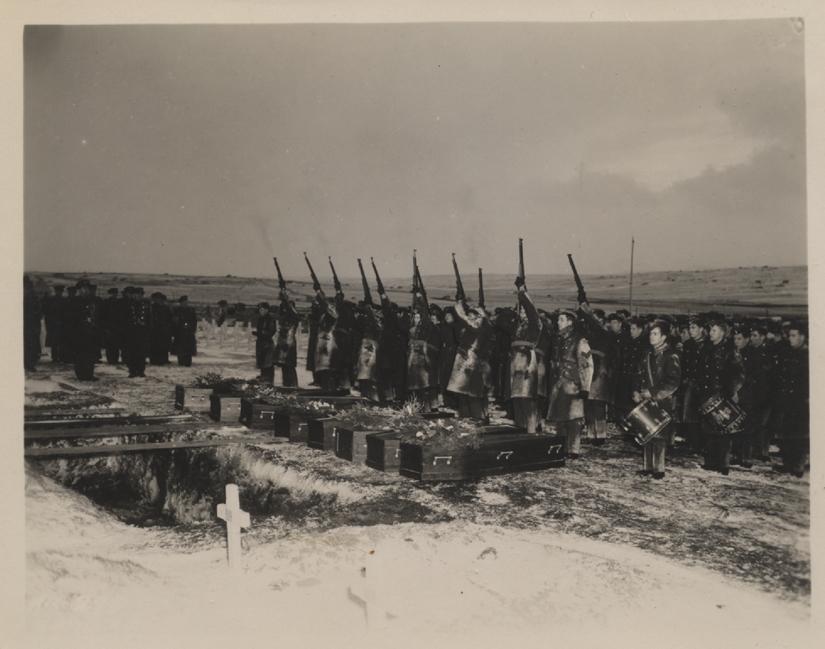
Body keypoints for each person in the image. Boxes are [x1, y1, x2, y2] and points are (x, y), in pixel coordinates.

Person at [632, 319, 682, 479]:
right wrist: (636, 391)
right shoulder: (647, 354)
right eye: (651, 333)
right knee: (646, 432)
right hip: (646, 398)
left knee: (659, 435)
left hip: (662, 400)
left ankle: (659, 469)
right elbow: (639, 374)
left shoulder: (671, 355)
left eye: (655, 334)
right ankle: (647, 466)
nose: (651, 337)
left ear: (664, 337)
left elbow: (673, 381)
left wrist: (653, 392)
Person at [696, 315, 743, 475]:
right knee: (708, 429)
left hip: (723, 395)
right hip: (706, 394)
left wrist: (732, 392)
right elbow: (700, 371)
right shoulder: (706, 348)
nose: (710, 333)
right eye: (710, 330)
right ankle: (710, 462)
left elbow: (738, 374)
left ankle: (723, 464)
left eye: (714, 330)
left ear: (722, 332)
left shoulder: (731, 350)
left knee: (723, 429)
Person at [546, 309, 593, 458]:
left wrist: (585, 387)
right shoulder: (558, 339)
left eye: (561, 320)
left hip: (573, 384)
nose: (558, 323)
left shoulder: (580, 341)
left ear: (570, 322)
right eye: (558, 319)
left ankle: (573, 449)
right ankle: (562, 447)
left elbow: (587, 365)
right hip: (559, 383)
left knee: (574, 419)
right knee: (560, 417)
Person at [446, 298, 495, 420]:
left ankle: (479, 418)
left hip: (476, 363)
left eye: (474, 316)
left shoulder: (484, 328)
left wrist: (460, 311)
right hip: (464, 362)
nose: (471, 319)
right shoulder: (470, 329)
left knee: (474, 393)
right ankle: (465, 418)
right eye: (470, 316)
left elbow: (475, 328)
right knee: (462, 392)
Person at [773, 322, 809, 477]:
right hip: (787, 400)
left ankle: (798, 465)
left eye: (794, 336)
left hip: (801, 401)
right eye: (789, 336)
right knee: (786, 433)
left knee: (799, 434)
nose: (790, 339)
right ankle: (787, 464)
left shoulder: (808, 355)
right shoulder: (788, 353)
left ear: (803, 337)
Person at [509, 277, 543, 433]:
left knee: (528, 398)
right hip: (516, 363)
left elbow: (531, 311)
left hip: (528, 362)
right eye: (520, 310)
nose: (522, 312)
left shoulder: (534, 324)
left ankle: (532, 429)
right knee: (517, 398)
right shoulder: (519, 326)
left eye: (524, 310)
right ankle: (521, 428)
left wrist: (522, 291)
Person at [578, 302, 615, 445]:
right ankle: (591, 433)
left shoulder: (606, 335)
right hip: (589, 369)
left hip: (600, 371)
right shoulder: (589, 335)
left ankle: (600, 434)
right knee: (588, 403)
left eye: (598, 320)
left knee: (598, 404)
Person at [406, 289, 442, 410]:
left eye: (418, 317)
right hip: (414, 360)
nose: (416, 319)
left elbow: (425, 314)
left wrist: (420, 298)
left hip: (425, 359)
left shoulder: (428, 328)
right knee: (416, 385)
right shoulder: (411, 331)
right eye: (415, 317)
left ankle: (430, 407)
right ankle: (419, 406)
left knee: (427, 385)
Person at [678, 315, 708, 453]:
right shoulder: (688, 344)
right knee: (688, 414)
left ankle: (701, 444)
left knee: (703, 414)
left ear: (701, 329)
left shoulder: (708, 344)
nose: (691, 330)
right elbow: (684, 364)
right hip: (690, 383)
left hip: (703, 384)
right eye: (690, 328)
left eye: (694, 327)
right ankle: (692, 443)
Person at [71, 279, 100, 380]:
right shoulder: (74, 301)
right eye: (82, 289)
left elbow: (96, 316)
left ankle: (89, 375)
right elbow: (71, 318)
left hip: (91, 332)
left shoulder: (93, 301)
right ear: (79, 290)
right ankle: (81, 375)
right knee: (80, 354)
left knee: (90, 354)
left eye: (86, 289)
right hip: (79, 332)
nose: (85, 291)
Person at [274, 290, 300, 387]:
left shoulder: (293, 319)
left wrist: (286, 301)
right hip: (282, 343)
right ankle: (287, 385)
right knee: (284, 366)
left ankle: (293, 385)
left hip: (289, 344)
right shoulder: (284, 320)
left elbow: (292, 313)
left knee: (289, 366)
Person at [124, 286, 151, 378]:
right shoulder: (128, 305)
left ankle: (141, 370)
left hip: (142, 332)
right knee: (131, 352)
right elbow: (123, 318)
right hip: (131, 333)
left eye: (139, 295)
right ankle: (132, 371)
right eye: (135, 295)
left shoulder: (146, 305)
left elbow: (149, 319)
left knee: (141, 352)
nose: (137, 296)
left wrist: (147, 328)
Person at [253, 301, 277, 384]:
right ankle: (264, 381)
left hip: (267, 344)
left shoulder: (270, 319)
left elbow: (272, 331)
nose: (260, 311)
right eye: (260, 309)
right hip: (261, 343)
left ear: (267, 310)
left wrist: (261, 333)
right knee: (262, 364)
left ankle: (269, 382)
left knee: (268, 364)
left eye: (262, 309)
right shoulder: (261, 319)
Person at [42, 284, 66, 362]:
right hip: (54, 324)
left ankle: (61, 357)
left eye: (61, 291)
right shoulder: (51, 300)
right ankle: (55, 357)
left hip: (62, 324)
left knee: (62, 342)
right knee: (55, 342)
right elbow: (48, 312)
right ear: (56, 291)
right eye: (58, 291)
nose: (59, 293)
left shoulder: (63, 300)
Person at [23, 276, 42, 372]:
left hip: (30, 324)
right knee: (30, 344)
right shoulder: (32, 295)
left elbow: (38, 311)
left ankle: (29, 363)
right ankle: (29, 364)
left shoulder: (31, 296)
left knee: (30, 344)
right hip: (29, 324)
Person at [99, 287, 123, 364]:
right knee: (109, 345)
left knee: (116, 344)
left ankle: (115, 359)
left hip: (117, 327)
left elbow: (121, 315)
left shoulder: (119, 303)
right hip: (109, 326)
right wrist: (105, 327)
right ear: (110, 294)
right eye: (113, 293)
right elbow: (102, 315)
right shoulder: (106, 302)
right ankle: (110, 359)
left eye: (115, 293)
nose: (114, 295)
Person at [149, 292, 173, 365]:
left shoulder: (165, 308)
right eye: (157, 299)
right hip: (155, 329)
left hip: (163, 329)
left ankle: (163, 359)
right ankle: (154, 359)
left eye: (160, 299)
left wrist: (168, 327)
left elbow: (170, 318)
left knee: (164, 345)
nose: (158, 300)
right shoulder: (152, 307)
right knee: (154, 345)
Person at [173, 295, 197, 367]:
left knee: (188, 349)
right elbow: (175, 321)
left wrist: (192, 328)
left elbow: (194, 321)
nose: (185, 303)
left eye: (186, 302)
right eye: (183, 302)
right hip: (180, 332)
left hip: (189, 332)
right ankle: (181, 361)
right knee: (180, 348)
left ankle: (188, 361)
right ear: (181, 303)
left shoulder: (191, 310)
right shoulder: (177, 310)